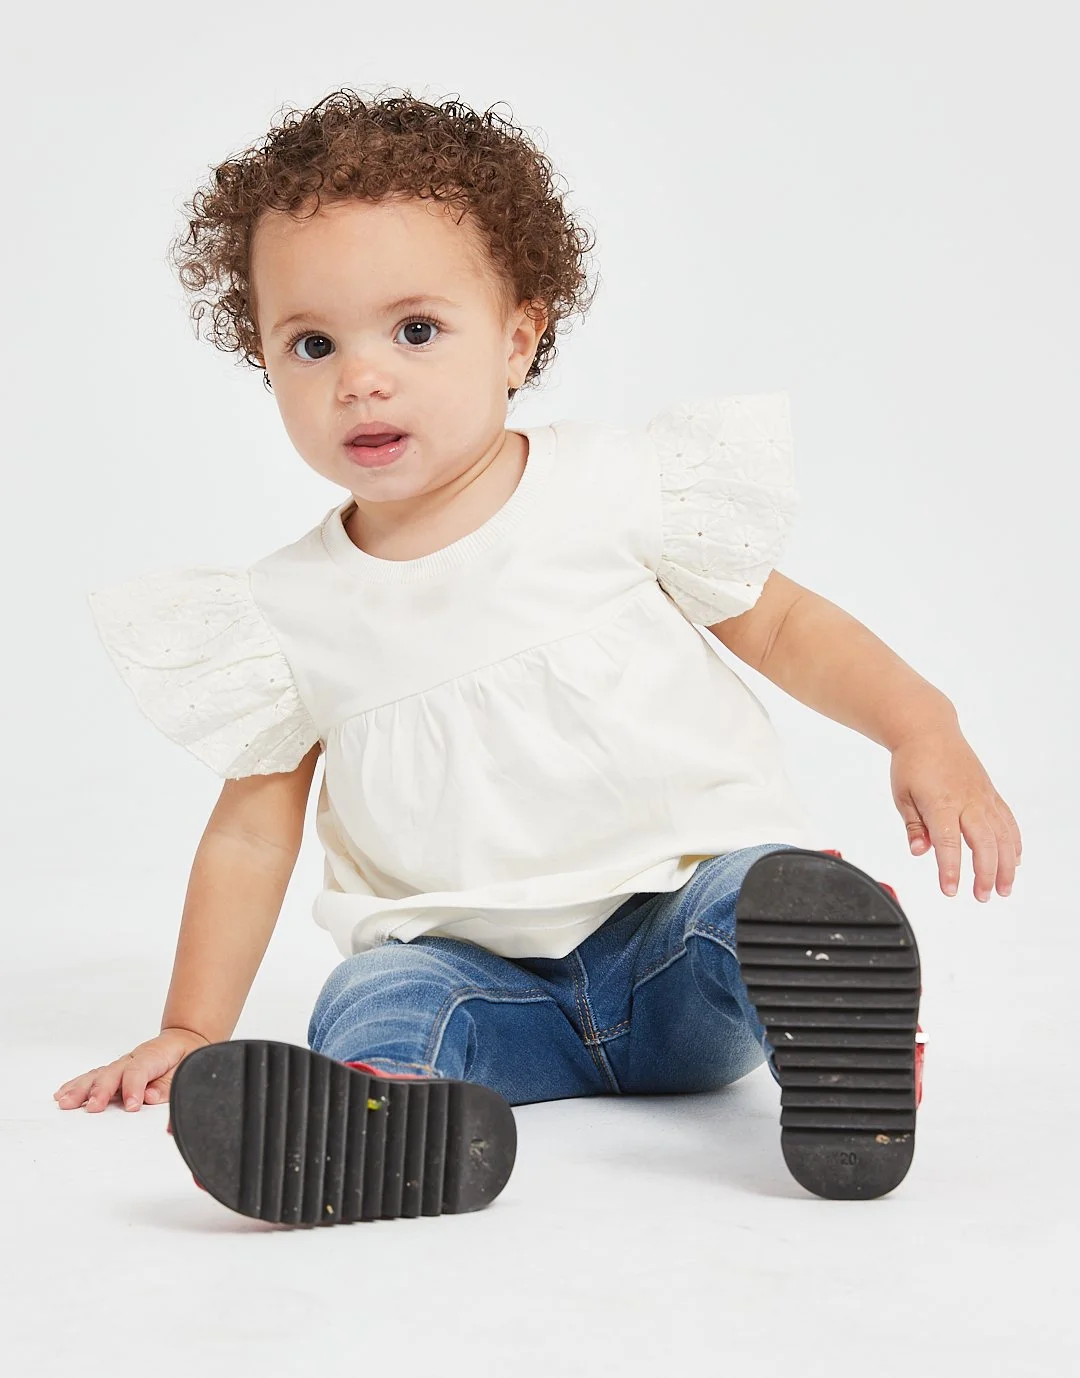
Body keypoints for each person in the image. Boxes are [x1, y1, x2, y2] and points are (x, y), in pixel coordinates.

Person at [53, 87, 1022, 1226]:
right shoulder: (290, 607)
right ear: (264, 362)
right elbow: (252, 830)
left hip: (669, 936)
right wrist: (192, 1025)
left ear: (519, 335)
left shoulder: (611, 490)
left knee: (750, 908)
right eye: (312, 343)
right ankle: (390, 1120)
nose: (360, 376)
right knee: (377, 992)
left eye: (415, 330)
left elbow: (784, 625)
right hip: (475, 980)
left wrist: (923, 725)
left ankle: (835, 1040)